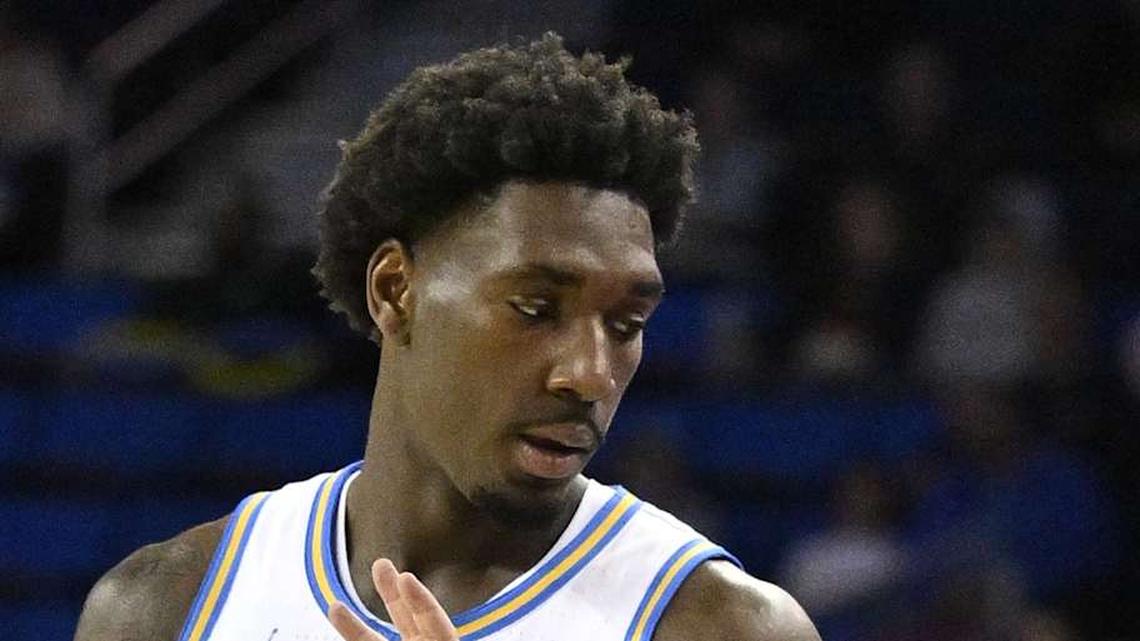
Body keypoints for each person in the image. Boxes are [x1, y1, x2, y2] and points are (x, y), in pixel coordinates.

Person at [74, 34, 820, 641]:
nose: (591, 374)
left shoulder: (722, 625)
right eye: (536, 307)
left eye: (625, 324)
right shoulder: (164, 608)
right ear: (396, 291)